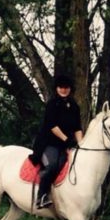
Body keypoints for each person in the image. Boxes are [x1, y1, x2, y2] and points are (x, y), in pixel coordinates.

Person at [30, 74, 84, 208]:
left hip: (64, 145)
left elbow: (77, 128)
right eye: (61, 87)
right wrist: (67, 140)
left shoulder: (74, 106)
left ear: (70, 89)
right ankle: (41, 196)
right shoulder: (52, 104)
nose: (63, 90)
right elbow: (53, 127)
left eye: (66, 87)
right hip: (48, 143)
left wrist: (82, 145)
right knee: (53, 166)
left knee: (70, 167)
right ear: (57, 88)